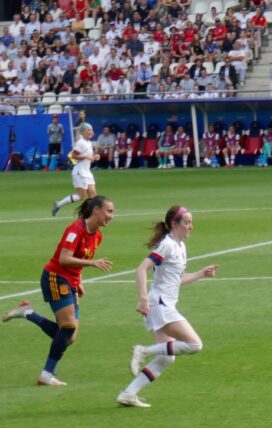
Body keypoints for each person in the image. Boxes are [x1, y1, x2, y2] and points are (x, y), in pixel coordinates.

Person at [3, 197, 115, 387]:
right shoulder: (75, 230)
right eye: (109, 211)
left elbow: (78, 260)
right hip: (55, 277)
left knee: (69, 337)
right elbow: (64, 258)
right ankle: (47, 374)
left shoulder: (97, 236)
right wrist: (92, 263)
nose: (111, 216)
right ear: (96, 210)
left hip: (71, 281)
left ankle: (28, 313)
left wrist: (79, 281)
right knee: (68, 326)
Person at [118, 205, 219, 408]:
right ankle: (143, 351)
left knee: (166, 358)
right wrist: (143, 298)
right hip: (160, 305)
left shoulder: (180, 247)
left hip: (160, 305)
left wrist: (200, 274)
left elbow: (177, 279)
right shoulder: (167, 245)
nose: (191, 227)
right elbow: (141, 268)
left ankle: (128, 394)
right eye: (187, 222)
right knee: (195, 345)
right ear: (174, 223)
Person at [51, 123, 99, 217]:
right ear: (83, 132)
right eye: (89, 130)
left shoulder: (88, 143)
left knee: (93, 194)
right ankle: (58, 204)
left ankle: (90, 215)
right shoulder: (81, 143)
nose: (91, 132)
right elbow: (73, 155)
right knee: (80, 196)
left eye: (91, 130)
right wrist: (86, 157)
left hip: (87, 171)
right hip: (80, 172)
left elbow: (88, 157)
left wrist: (94, 157)